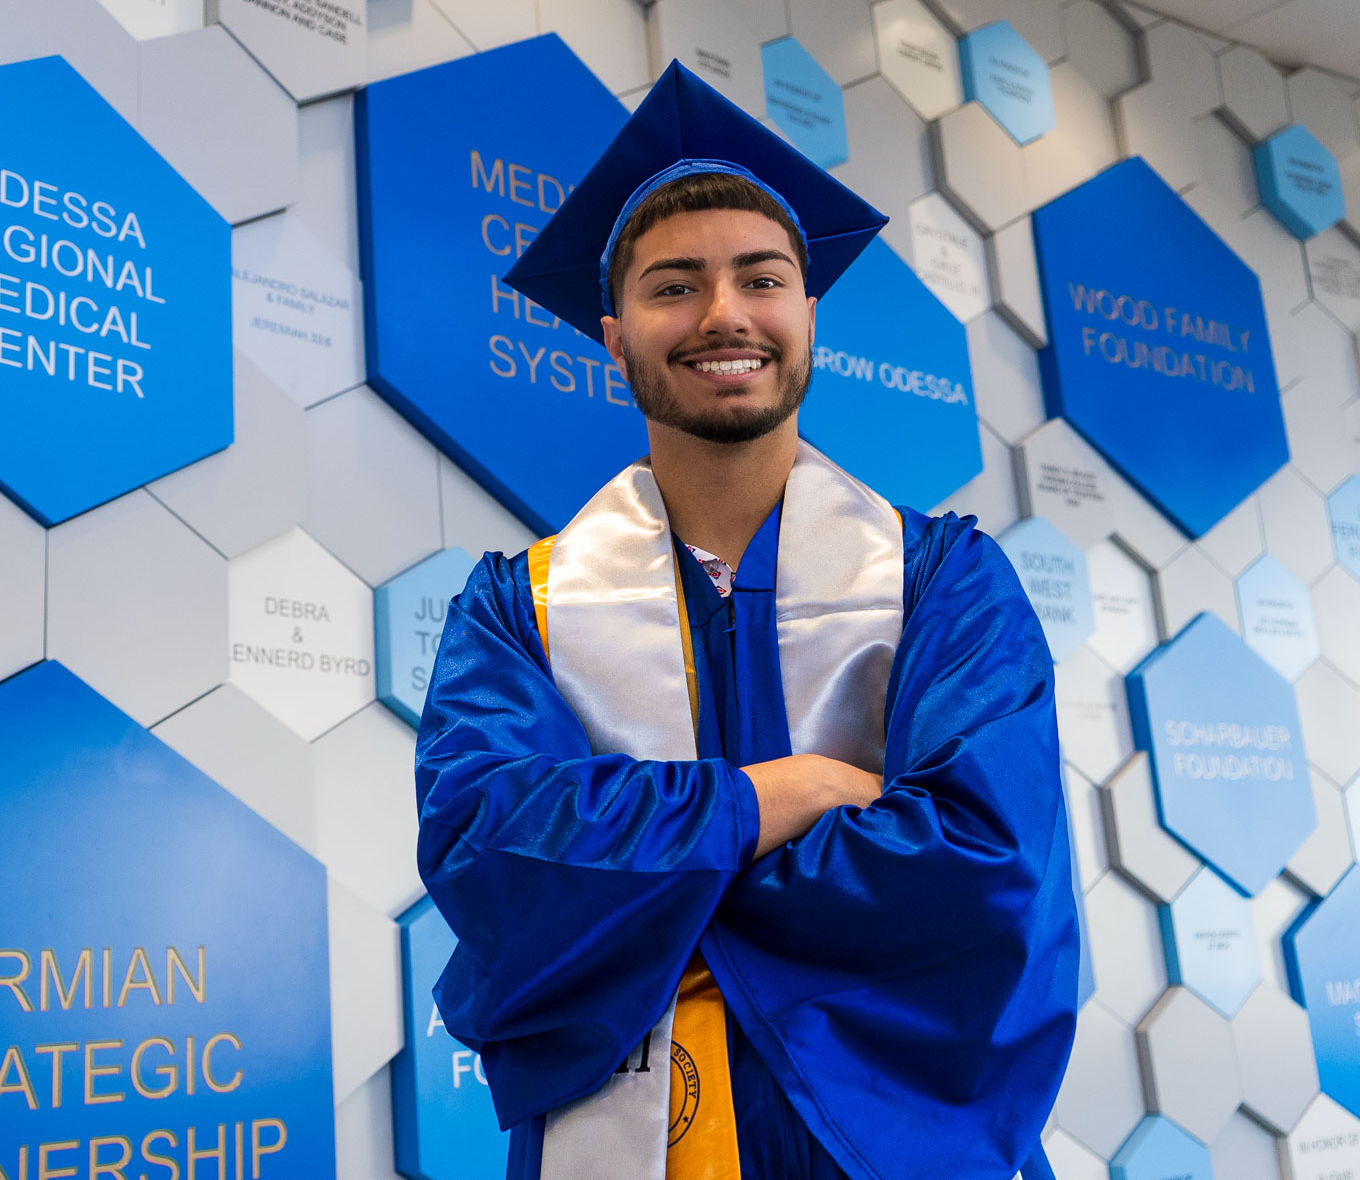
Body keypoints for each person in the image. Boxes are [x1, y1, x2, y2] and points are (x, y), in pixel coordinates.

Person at [413, 61, 1077, 1180]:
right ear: (614, 335)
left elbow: (984, 869)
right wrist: (786, 792)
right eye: (674, 286)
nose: (724, 313)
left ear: (808, 313)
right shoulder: (517, 608)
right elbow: (493, 854)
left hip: (887, 1144)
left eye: (760, 279)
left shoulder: (945, 583)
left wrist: (644, 886)